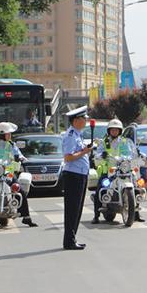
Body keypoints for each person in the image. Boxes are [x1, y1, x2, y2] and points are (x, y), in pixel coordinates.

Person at [0, 122, 38, 227]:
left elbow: (18, 154)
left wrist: (21, 158)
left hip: (7, 173)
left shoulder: (11, 145)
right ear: (2, 134)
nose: (10, 135)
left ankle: (26, 217)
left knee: (20, 190)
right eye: (8, 133)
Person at [91, 119, 145, 224]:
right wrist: (102, 155)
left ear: (120, 131)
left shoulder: (126, 141)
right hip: (110, 171)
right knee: (100, 188)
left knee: (137, 185)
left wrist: (137, 154)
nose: (114, 132)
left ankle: (136, 214)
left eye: (117, 130)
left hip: (125, 168)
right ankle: (96, 215)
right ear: (109, 130)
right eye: (112, 130)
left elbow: (133, 152)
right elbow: (97, 153)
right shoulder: (104, 142)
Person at [61, 106, 93, 250]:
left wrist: (85, 149)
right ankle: (69, 241)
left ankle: (72, 238)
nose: (85, 121)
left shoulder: (78, 135)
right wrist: (84, 151)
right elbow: (68, 157)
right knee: (72, 210)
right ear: (76, 120)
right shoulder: (70, 135)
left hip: (80, 174)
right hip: (73, 175)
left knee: (77, 209)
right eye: (83, 118)